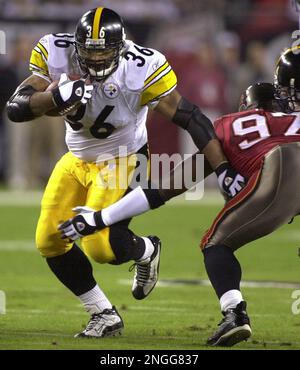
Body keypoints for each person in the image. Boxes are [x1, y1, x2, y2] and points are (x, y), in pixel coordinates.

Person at [6, 7, 246, 339]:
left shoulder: (140, 67)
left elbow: (190, 117)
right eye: (89, 50)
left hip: (124, 157)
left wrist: (222, 168)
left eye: (104, 50)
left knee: (100, 247)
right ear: (76, 46)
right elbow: (16, 107)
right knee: (49, 241)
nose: (95, 58)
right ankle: (103, 314)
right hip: (77, 159)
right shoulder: (55, 50)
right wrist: (53, 98)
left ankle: (146, 249)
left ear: (121, 46)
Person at [60, 61, 300, 346]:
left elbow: (162, 190)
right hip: (285, 170)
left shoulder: (228, 126)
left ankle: (235, 314)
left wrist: (99, 219)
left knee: (216, 244)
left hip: (284, 166)